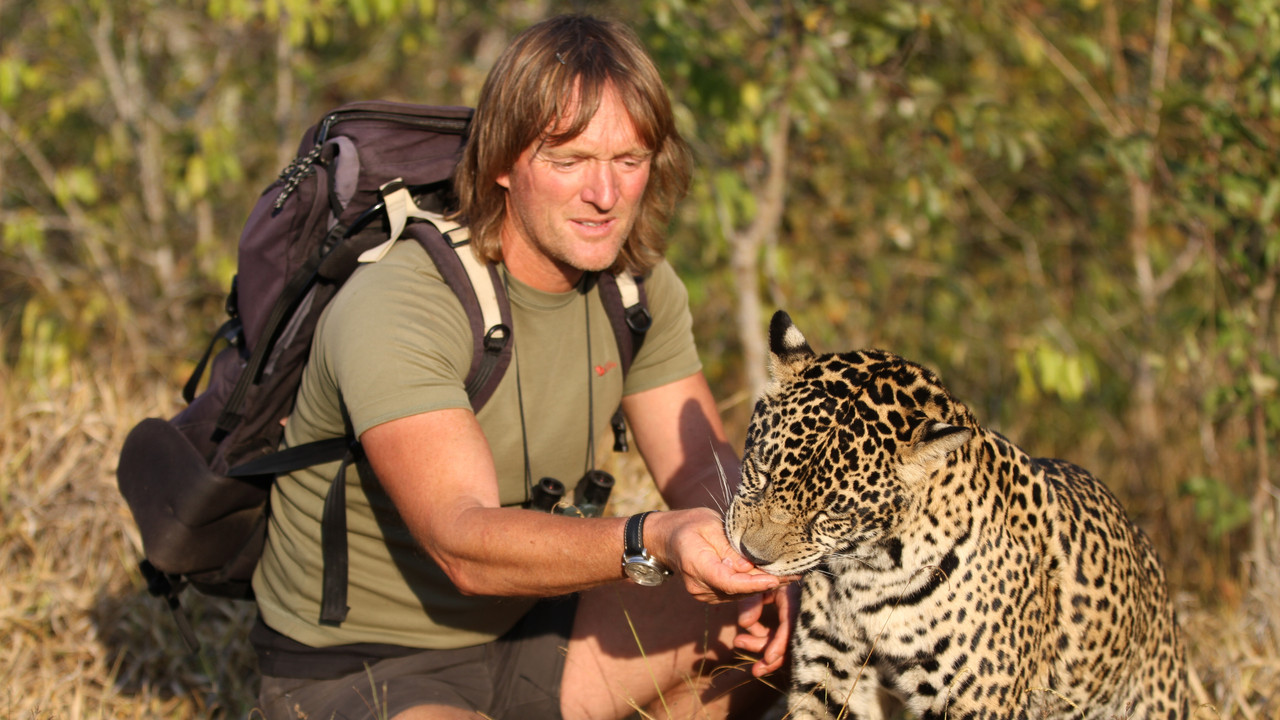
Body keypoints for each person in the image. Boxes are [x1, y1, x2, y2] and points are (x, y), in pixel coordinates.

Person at [251, 14, 795, 720]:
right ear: (502, 162)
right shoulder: (402, 301)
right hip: (363, 664)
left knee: (804, 622)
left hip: (537, 624)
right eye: (569, 161)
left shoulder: (638, 290)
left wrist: (756, 565)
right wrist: (653, 537)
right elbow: (463, 545)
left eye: (629, 160)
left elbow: (700, 474)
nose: (605, 194)